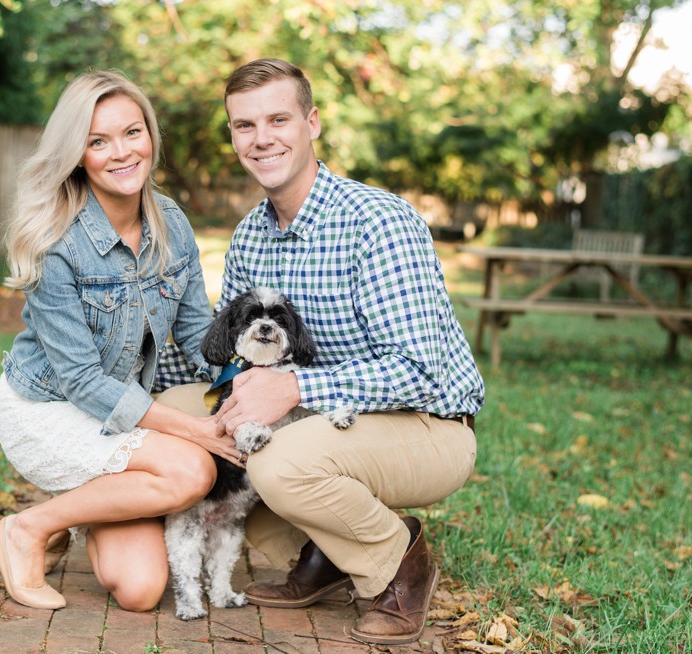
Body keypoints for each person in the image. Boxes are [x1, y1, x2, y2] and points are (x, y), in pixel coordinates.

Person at [156, 58, 485, 645]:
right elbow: (227, 356)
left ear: (312, 122)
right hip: (326, 417)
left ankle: (397, 563)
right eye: (243, 126)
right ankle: (327, 552)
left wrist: (297, 387)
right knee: (180, 417)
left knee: (278, 459)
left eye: (278, 119)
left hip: (428, 424)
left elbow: (419, 372)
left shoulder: (377, 223)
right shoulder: (250, 235)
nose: (261, 139)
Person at [0, 70, 242, 613]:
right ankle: (25, 530)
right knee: (192, 469)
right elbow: (81, 381)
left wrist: (243, 387)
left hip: (113, 413)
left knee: (142, 590)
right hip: (48, 409)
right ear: (77, 154)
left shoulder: (171, 221)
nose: (121, 153)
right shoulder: (58, 239)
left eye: (132, 133)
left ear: (150, 135)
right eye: (97, 141)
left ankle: (76, 511)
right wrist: (196, 430)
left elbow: (199, 335)